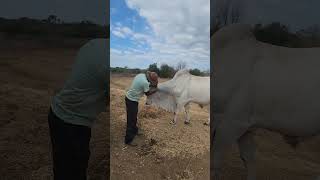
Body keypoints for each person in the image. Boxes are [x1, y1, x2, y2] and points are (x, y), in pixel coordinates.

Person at [48, 38, 108, 180]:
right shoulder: (107, 62)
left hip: (56, 111)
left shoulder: (94, 43)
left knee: (61, 166)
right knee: (73, 171)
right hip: (74, 123)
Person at [124, 71, 158, 146]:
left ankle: (135, 131)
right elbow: (147, 93)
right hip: (131, 100)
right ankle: (128, 140)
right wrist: (155, 90)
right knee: (131, 119)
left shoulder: (140, 75)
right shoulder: (145, 83)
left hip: (130, 98)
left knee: (134, 117)